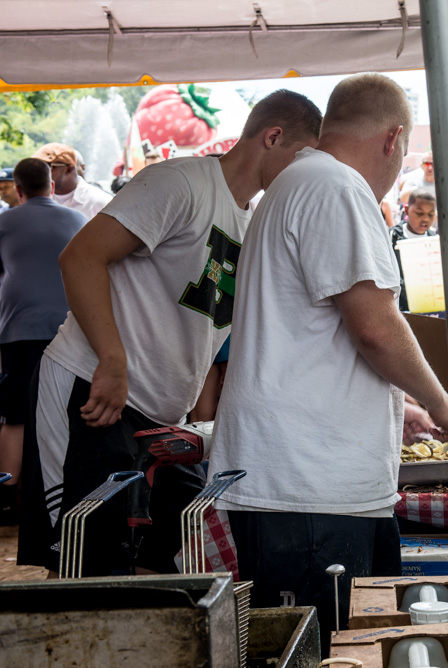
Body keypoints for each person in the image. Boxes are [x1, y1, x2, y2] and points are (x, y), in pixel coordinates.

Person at [17, 90, 322, 577]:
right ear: (273, 137)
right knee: (84, 565)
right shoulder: (181, 182)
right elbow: (80, 257)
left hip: (163, 421)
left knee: (175, 560)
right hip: (92, 389)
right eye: (303, 158)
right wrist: (112, 359)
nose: (307, 174)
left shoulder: (252, 219)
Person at [208, 73, 448, 654]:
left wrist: (399, 404)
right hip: (307, 489)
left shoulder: (301, 180)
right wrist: (444, 404)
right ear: (393, 138)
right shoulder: (336, 186)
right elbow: (374, 327)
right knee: (326, 652)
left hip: (303, 482)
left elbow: (315, 332)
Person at [0, 159, 86, 523]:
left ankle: (7, 498)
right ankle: (69, 494)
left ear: (18, 189)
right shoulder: (79, 220)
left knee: (16, 415)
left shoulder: (5, 222)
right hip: (74, 331)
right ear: (52, 186)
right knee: (68, 414)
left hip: (21, 330)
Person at [31, 143, 112, 220]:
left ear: (68, 169)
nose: (40, 173)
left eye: (47, 167)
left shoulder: (99, 202)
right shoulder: (33, 199)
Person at [389, 189, 438, 312]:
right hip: (399, 307)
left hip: (427, 307)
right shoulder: (392, 237)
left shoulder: (434, 240)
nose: (425, 219)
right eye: (419, 213)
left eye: (431, 214)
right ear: (406, 210)